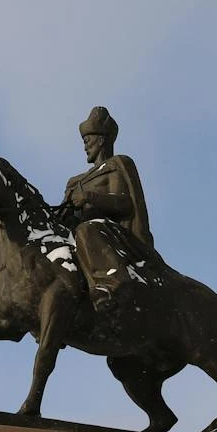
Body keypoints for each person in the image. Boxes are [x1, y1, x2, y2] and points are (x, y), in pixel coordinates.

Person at [53, 106, 155, 312]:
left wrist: (89, 197)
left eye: (87, 141)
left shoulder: (116, 165)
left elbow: (124, 203)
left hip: (110, 235)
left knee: (87, 229)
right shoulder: (75, 181)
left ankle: (111, 284)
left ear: (101, 140)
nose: (85, 147)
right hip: (80, 235)